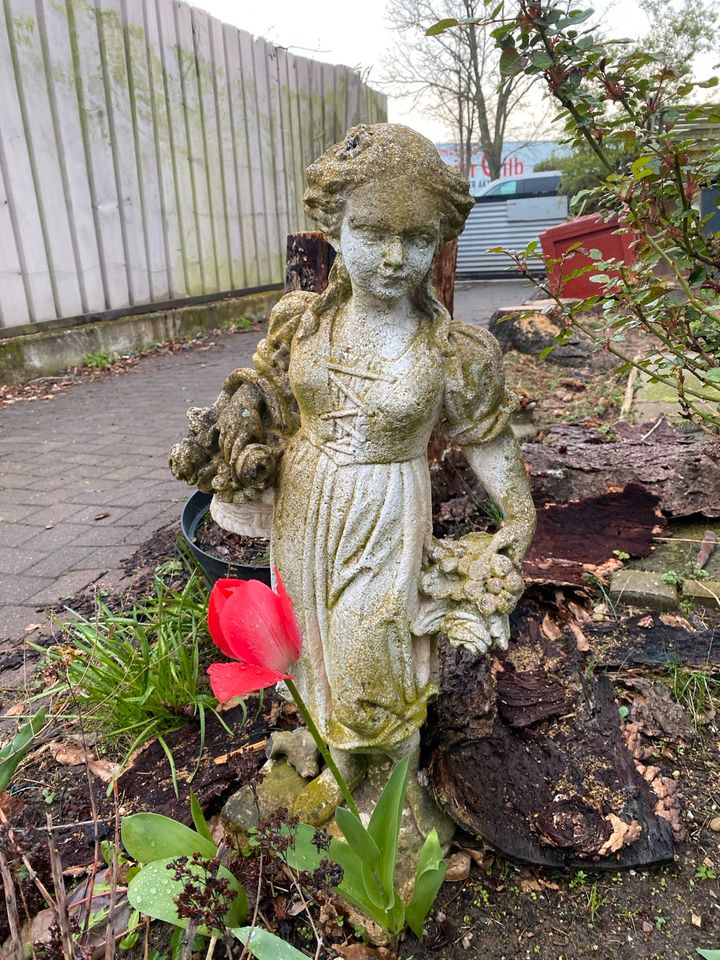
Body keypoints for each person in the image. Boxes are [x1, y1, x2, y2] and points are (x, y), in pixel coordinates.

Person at [173, 123, 536, 821]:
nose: (397, 258)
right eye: (374, 233)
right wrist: (240, 438)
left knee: (379, 643)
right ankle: (336, 759)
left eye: (418, 239)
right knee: (315, 648)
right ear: (334, 226)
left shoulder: (449, 350)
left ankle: (396, 786)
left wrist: (518, 515)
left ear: (439, 242)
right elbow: (270, 399)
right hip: (306, 506)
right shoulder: (301, 323)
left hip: (384, 508)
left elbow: (487, 437)